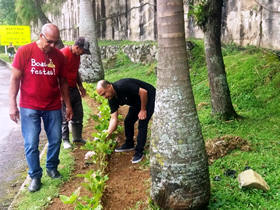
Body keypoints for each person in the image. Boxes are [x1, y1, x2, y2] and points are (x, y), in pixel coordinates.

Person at [9, 23, 73, 192]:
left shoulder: (59, 57)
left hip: (52, 105)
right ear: (40, 36)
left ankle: (51, 167)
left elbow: (64, 82)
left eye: (56, 42)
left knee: (56, 139)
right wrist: (12, 105)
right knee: (31, 143)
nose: (52, 46)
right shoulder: (25, 51)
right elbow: (15, 79)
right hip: (29, 106)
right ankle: (35, 176)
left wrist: (68, 105)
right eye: (49, 42)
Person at [96, 78, 156, 163]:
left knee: (142, 122)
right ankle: (129, 144)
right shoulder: (111, 98)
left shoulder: (123, 85)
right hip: (137, 101)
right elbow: (113, 118)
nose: (105, 97)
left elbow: (143, 92)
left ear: (109, 86)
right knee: (128, 121)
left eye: (104, 93)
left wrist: (143, 110)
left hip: (149, 97)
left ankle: (139, 152)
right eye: (102, 95)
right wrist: (107, 133)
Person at [61, 37, 91, 149]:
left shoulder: (77, 56)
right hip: (63, 90)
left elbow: (75, 71)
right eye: (83, 51)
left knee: (78, 113)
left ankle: (77, 137)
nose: (83, 54)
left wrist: (81, 86)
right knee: (65, 116)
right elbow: (57, 75)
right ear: (77, 47)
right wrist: (60, 94)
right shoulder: (63, 54)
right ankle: (65, 140)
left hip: (73, 88)